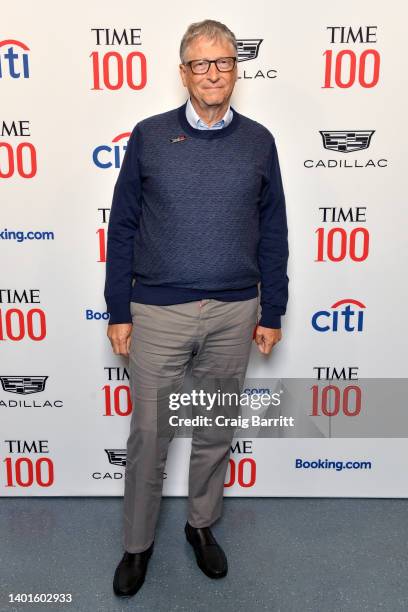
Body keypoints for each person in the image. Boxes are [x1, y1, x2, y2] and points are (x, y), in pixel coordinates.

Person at [104, 18, 289, 598]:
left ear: (237, 70)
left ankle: (201, 527)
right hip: (158, 311)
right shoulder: (149, 135)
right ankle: (137, 544)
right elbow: (124, 225)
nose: (214, 73)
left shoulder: (259, 141)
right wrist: (119, 309)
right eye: (201, 64)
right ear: (183, 72)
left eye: (224, 62)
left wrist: (272, 310)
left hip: (236, 311)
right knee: (150, 435)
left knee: (213, 430)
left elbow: (273, 230)